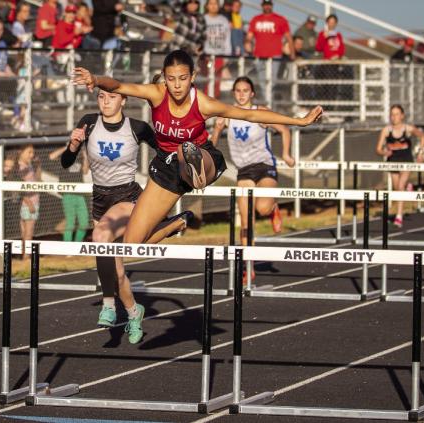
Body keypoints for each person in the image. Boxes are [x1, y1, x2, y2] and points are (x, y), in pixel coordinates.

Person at [72, 49, 322, 248]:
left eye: (182, 79)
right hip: (166, 167)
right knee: (132, 244)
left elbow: (249, 115)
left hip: (202, 156)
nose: (177, 85)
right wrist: (96, 79)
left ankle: (197, 171)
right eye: (171, 79)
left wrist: (299, 120)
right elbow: (117, 86)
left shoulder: (203, 103)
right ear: (164, 78)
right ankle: (176, 223)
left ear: (192, 77)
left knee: (186, 150)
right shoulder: (157, 94)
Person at [60, 89, 190, 344]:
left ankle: (108, 304)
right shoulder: (88, 122)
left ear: (123, 100)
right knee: (115, 272)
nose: (105, 101)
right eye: (101, 97)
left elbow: (167, 152)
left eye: (111, 97)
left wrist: (170, 177)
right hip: (100, 198)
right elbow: (66, 162)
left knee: (99, 237)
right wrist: (73, 145)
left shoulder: (137, 128)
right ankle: (133, 312)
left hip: (128, 196)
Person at [211, 76, 294, 282]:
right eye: (237, 91)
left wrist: (286, 153)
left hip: (264, 166)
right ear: (233, 94)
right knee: (246, 223)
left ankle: (273, 208)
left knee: (262, 208)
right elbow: (211, 146)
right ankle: (249, 266)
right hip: (244, 171)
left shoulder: (261, 112)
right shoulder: (227, 114)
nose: (241, 94)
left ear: (252, 93)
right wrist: (218, 129)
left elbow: (284, 129)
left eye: (245, 90)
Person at [375, 104, 424, 228]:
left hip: (406, 160)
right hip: (393, 161)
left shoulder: (407, 129)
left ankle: (399, 216)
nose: (394, 117)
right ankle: (409, 186)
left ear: (402, 116)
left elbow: (422, 136)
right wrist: (384, 152)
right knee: (397, 189)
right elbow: (378, 149)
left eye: (397, 114)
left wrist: (420, 152)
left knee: (401, 186)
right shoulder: (387, 131)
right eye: (392, 114)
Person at [245, 0, 294, 100]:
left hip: (275, 55)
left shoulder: (280, 19)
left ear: (271, 6)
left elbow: (288, 37)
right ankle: (268, 102)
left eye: (269, 5)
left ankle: (270, 103)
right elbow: (249, 36)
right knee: (262, 81)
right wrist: (247, 44)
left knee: (273, 81)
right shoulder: (256, 19)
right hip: (259, 55)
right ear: (262, 6)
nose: (267, 7)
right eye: (265, 5)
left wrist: (292, 53)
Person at [49, 146, 90, 244]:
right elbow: (51, 157)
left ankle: (76, 245)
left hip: (80, 194)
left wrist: (84, 155)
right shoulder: (64, 157)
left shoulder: (80, 157)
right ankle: (68, 248)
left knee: (84, 223)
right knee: (70, 223)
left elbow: (85, 171)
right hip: (67, 194)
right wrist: (67, 147)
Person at [203, 0, 231, 98]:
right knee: (206, 82)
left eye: (215, 4)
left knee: (217, 83)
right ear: (207, 6)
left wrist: (226, 57)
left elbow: (227, 39)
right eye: (211, 3)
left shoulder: (224, 20)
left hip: (220, 56)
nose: (213, 6)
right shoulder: (203, 19)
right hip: (206, 56)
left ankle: (213, 107)